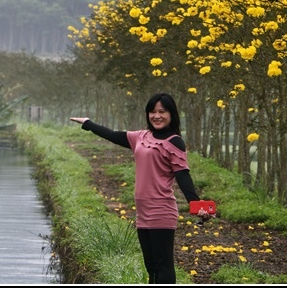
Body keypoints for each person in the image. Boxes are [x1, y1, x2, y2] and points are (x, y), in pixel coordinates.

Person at [70, 92, 211, 284]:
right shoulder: (141, 137)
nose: (156, 116)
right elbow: (113, 135)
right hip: (143, 212)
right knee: (151, 265)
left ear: (172, 114)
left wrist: (197, 205)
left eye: (162, 111)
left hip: (161, 210)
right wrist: (88, 123)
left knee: (163, 266)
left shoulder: (174, 141)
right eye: (152, 111)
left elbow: (183, 176)